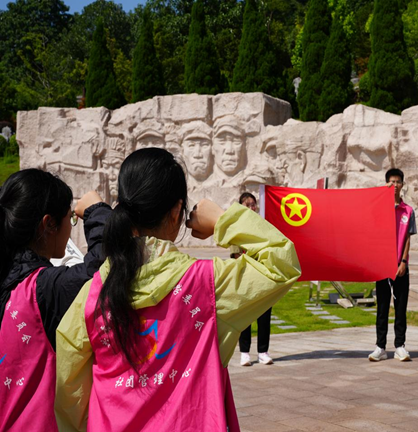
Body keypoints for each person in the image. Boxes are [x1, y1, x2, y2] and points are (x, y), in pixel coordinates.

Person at [55, 148, 301, 432]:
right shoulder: (208, 286)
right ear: (176, 212)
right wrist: (222, 220)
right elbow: (282, 264)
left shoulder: (92, 295)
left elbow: (69, 392)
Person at [0, 169, 111, 431]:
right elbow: (103, 268)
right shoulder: (42, 289)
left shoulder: (13, 280)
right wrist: (96, 211)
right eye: (69, 218)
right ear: (49, 224)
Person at [369, 168, 416, 362]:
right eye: (391, 181)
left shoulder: (408, 211)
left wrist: (404, 261)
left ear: (402, 185)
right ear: (386, 184)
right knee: (382, 309)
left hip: (400, 267)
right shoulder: (380, 209)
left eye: (398, 181)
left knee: (400, 308)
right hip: (383, 267)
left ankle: (400, 347)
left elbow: (407, 238)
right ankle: (380, 347)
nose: (395, 185)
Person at [230, 193, 273, 367]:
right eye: (247, 204)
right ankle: (244, 353)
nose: (251, 207)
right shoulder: (237, 228)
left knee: (264, 315)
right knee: (246, 316)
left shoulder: (263, 226)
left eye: (253, 204)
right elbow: (235, 255)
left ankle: (263, 352)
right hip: (245, 276)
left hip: (263, 276)